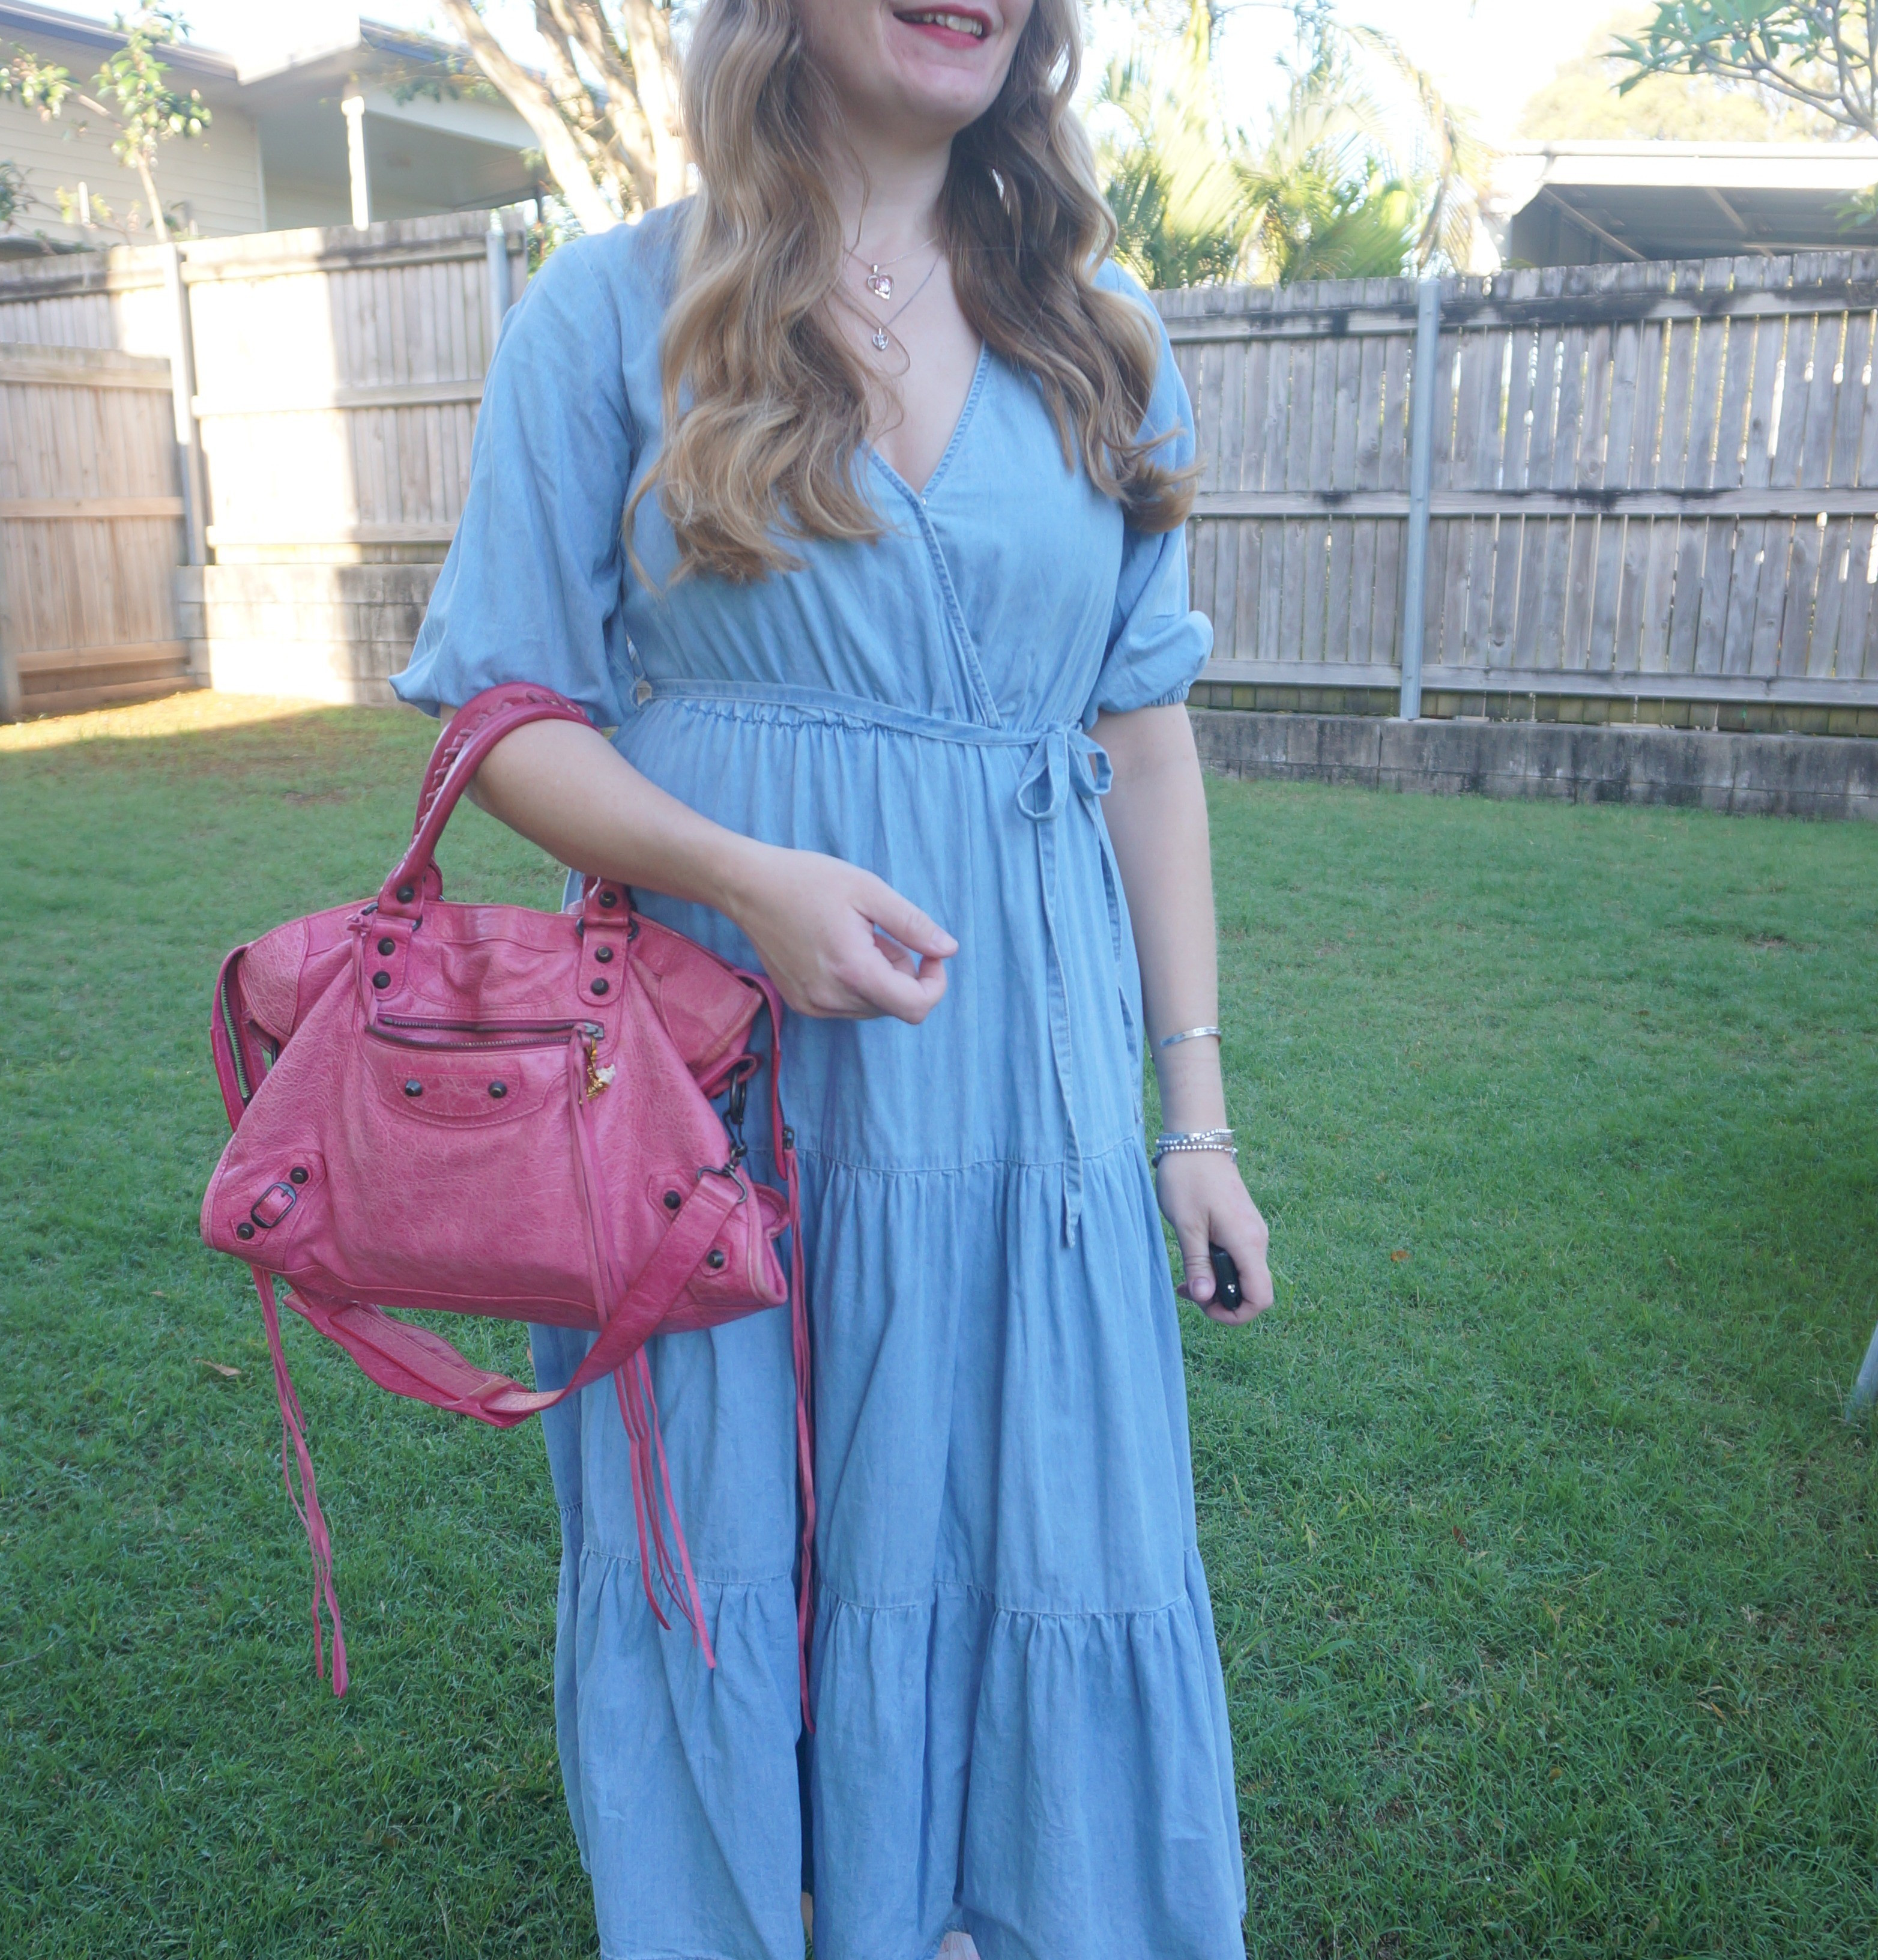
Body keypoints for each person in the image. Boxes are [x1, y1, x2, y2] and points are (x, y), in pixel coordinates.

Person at [391, 0, 1275, 1952]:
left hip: (1020, 1091)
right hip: (722, 1094)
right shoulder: (615, 312)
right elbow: (503, 711)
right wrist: (738, 875)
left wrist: (1193, 1117)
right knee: (738, 1527)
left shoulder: (1096, 329)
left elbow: (1145, 738)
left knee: (1021, 1514)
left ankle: (981, 1910)